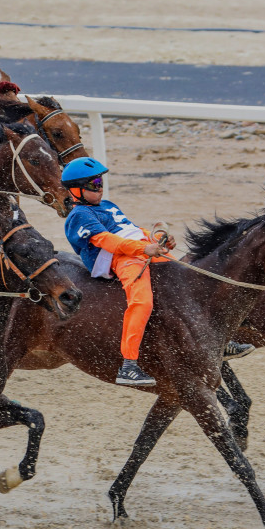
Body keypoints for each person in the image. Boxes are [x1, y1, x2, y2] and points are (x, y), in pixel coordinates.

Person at [62, 157, 172, 386]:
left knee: (188, 280)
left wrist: (158, 240)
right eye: (93, 184)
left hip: (140, 249)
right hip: (119, 258)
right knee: (142, 303)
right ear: (75, 190)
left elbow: (132, 229)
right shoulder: (78, 215)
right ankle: (129, 365)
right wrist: (144, 247)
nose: (100, 187)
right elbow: (108, 241)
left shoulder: (109, 205)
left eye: (100, 181)